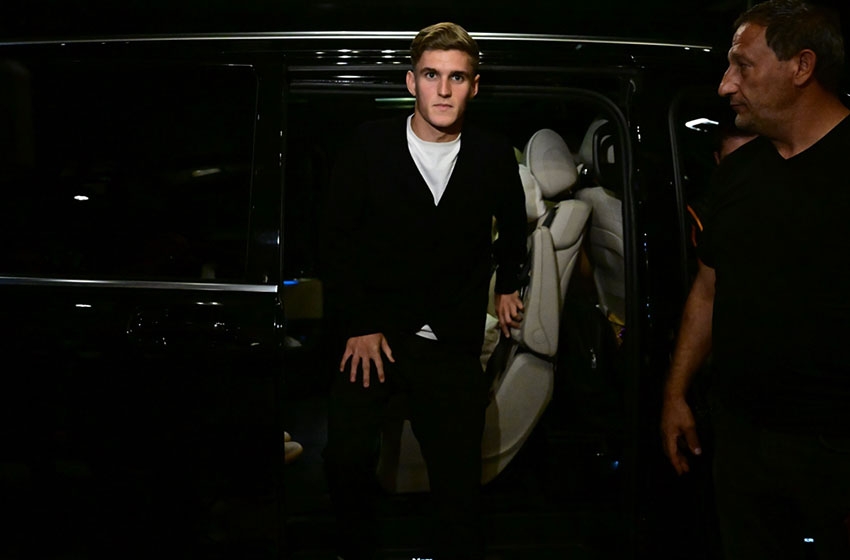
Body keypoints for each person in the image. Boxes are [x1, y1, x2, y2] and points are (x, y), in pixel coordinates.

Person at [320, 22, 527, 560]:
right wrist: (360, 324)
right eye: (432, 75)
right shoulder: (368, 144)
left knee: (459, 485)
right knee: (344, 458)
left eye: (457, 77)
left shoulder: (492, 152)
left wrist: (509, 286)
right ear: (411, 81)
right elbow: (336, 242)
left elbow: (513, 227)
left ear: (474, 86)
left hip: (449, 338)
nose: (444, 90)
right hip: (374, 333)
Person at [660, 1, 850, 558]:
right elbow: (708, 288)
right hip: (742, 438)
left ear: (802, 66)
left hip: (833, 449)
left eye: (742, 65)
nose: (725, 85)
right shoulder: (740, 173)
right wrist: (676, 393)